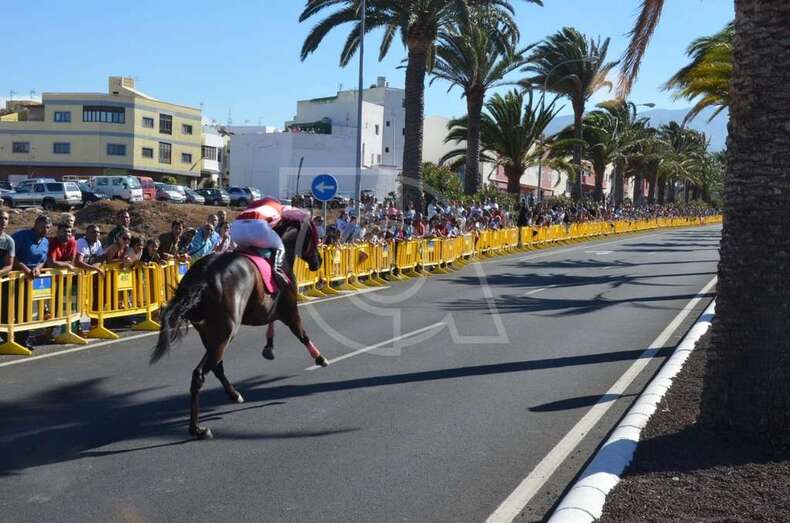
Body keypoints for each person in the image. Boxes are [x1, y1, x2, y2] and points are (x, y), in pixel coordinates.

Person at [0, 211, 15, 277]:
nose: (3, 220)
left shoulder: (9, 241)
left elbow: (9, 266)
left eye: (6, 218)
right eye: (1, 218)